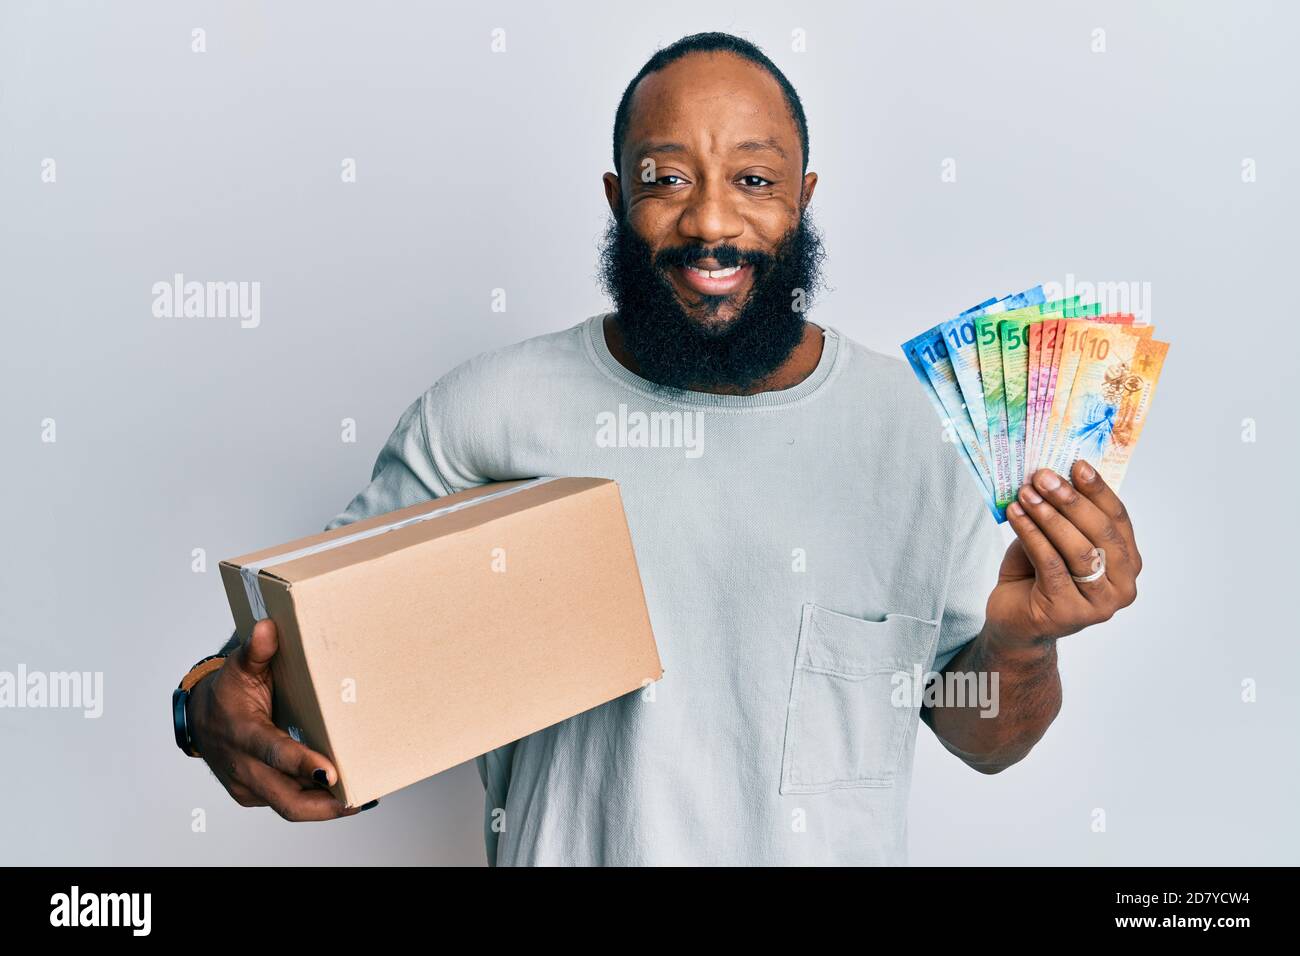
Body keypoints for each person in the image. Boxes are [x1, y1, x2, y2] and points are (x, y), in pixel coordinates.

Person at [172, 32, 1142, 865]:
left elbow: (985, 734)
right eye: (666, 179)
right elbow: (310, 666)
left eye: (753, 181)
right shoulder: (485, 416)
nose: (711, 221)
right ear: (614, 199)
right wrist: (206, 703)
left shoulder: (919, 433)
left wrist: (1024, 640)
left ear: (802, 199)